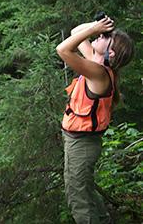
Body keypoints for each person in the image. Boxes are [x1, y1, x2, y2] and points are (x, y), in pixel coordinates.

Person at [56, 15, 135, 224]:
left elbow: (63, 49)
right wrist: (96, 26)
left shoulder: (99, 73)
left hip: (82, 142)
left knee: (78, 199)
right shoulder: (96, 61)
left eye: (106, 37)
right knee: (85, 189)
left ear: (111, 53)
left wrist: (93, 31)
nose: (100, 35)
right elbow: (75, 32)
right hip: (80, 141)